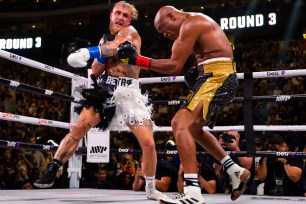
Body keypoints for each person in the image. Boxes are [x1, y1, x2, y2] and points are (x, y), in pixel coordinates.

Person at [34, 1, 168, 201]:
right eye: (118, 13)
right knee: (79, 128)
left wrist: (87, 53)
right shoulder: (105, 39)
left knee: (148, 143)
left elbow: (117, 46)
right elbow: (96, 71)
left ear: (129, 20)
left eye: (125, 15)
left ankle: (150, 188)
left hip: (128, 92)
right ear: (111, 15)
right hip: (105, 88)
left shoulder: (130, 32)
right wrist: (100, 56)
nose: (121, 17)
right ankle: (52, 170)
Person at [116, 6, 251, 203]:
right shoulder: (193, 26)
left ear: (172, 15)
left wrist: (137, 60)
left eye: (163, 27)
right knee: (194, 129)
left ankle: (193, 193)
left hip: (218, 77)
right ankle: (235, 170)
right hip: (212, 75)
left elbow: (173, 66)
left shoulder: (191, 22)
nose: (164, 34)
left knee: (179, 123)